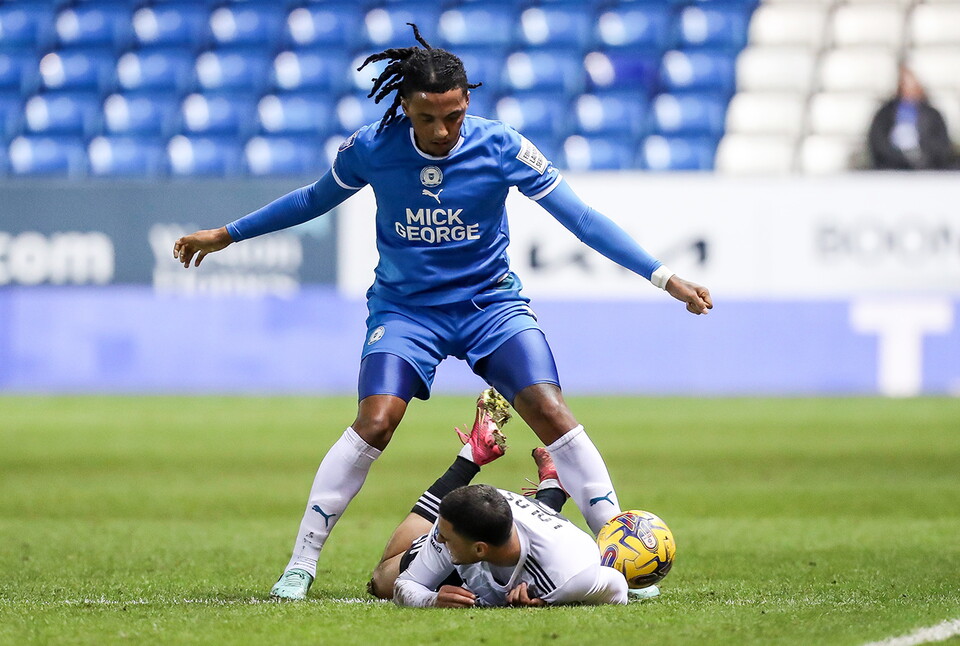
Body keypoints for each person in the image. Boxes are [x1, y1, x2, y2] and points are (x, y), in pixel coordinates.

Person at [172, 24, 712, 601]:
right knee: (375, 421)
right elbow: (311, 198)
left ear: (466, 104)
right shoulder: (372, 149)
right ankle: (302, 564)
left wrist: (664, 276)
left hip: (491, 306)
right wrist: (229, 233)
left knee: (552, 413)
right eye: (428, 118)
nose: (441, 130)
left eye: (453, 116)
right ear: (404, 106)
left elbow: (579, 217)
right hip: (406, 312)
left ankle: (617, 551)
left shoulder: (501, 145)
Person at [369, 390, 633, 608]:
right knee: (383, 582)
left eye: (446, 537)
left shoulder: (569, 575)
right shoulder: (457, 529)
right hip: (518, 521)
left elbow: (618, 587)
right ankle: (477, 463)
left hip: (548, 539)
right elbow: (404, 585)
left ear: (480, 550)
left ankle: (543, 481)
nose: (437, 538)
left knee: (394, 577)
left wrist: (551, 602)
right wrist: (432, 600)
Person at [867, 64, 956, 170]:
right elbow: (878, 141)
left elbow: (940, 144)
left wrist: (922, 157)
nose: (909, 90)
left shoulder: (932, 115)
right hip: (891, 168)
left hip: (925, 169)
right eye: (906, 85)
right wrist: (898, 158)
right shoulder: (886, 113)